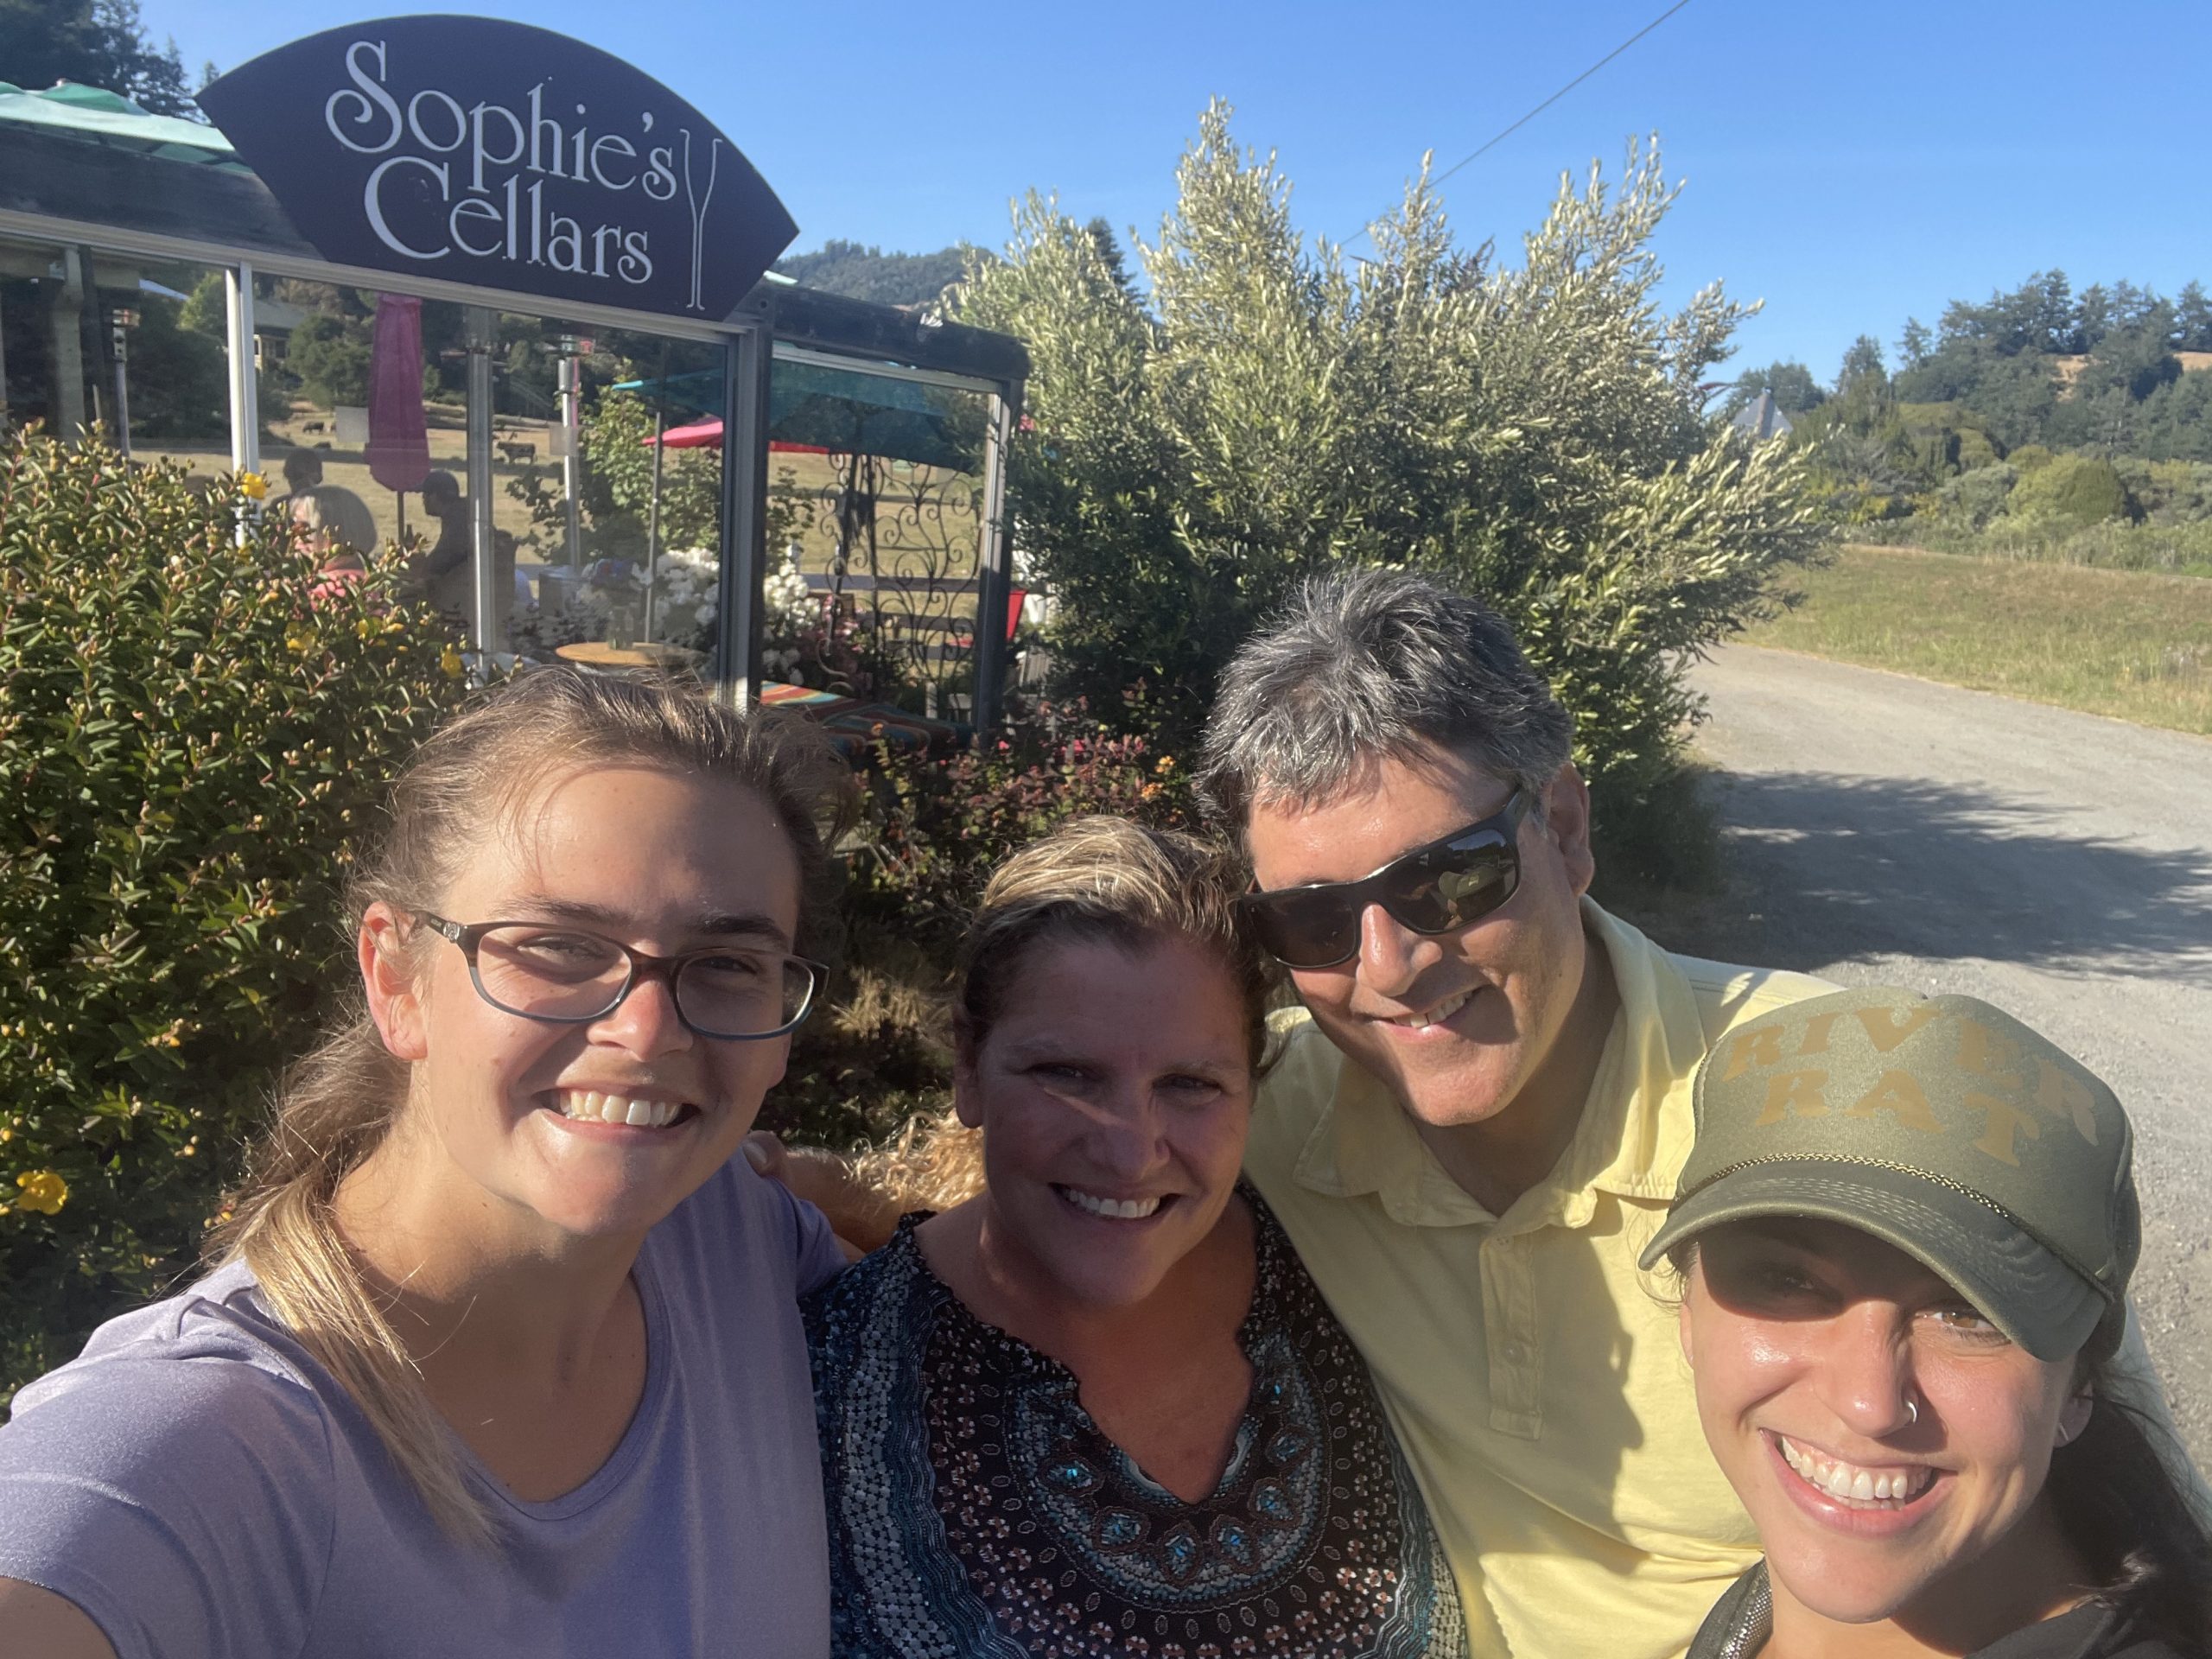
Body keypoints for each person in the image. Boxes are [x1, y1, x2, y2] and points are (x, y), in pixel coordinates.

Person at [1188, 569, 2202, 1659]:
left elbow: (2125, 1513)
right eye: (1313, 920)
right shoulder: (1253, 1118)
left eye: (1449, 879)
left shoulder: (1843, 1095)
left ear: (1564, 828)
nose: (1389, 966)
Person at [0, 669, 854, 1656]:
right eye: (557, 946)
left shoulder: (736, 1243)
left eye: (729, 964)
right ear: (396, 981)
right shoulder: (206, 1445)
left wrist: (844, 1188)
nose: (648, 1031)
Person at [805, 817, 1468, 1659]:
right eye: (1066, 1074)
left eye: (1190, 1084)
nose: (1129, 1152)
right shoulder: (812, 1392)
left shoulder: (1362, 1266)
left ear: (1254, 1083)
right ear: (968, 1066)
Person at [1649, 986, 2209, 1659]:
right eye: (1788, 1282)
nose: (1868, 1404)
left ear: (2079, 1385)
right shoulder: (1759, 1611)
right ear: (1689, 1311)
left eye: (1965, 1313)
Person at [276, 449, 378, 560]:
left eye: (302, 476)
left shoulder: (330, 505)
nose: (300, 483)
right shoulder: (280, 507)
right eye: (295, 477)